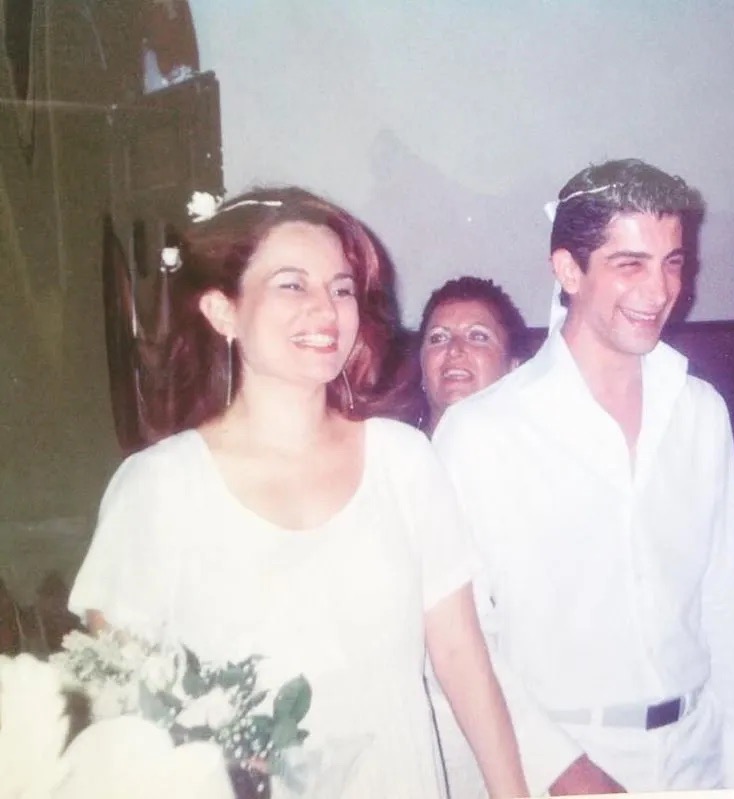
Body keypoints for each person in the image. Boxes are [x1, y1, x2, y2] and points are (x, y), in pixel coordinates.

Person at [67, 187, 529, 799]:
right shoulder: (160, 487)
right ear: (222, 311)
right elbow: (119, 709)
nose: (325, 310)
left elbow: (461, 657)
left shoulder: (402, 461)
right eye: (292, 285)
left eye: (341, 289)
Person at [431, 159, 734, 795]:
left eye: (672, 262)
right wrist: (563, 771)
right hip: (562, 764)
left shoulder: (700, 412)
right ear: (568, 270)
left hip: (698, 760)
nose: (660, 290)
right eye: (630, 264)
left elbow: (729, 613)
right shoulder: (482, 433)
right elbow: (463, 641)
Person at [417, 276, 528, 434]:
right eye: (438, 338)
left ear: (513, 367)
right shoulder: (389, 446)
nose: (454, 349)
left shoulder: (539, 448)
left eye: (478, 336)